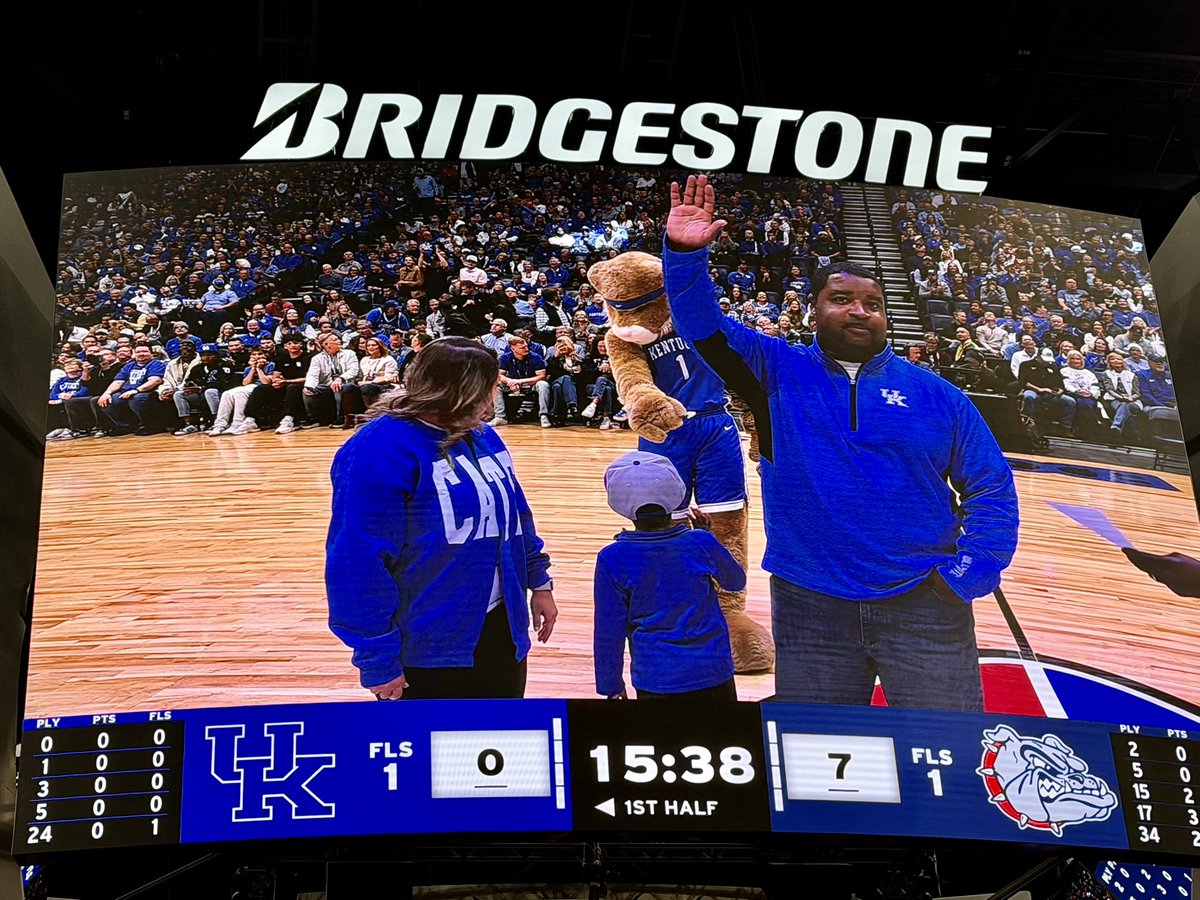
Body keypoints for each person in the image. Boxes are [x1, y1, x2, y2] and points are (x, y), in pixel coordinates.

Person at [661, 174, 1018, 711]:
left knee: (949, 754)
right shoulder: (773, 370)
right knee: (819, 755)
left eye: (872, 303)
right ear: (813, 310)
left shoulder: (940, 396)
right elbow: (701, 325)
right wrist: (685, 256)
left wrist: (969, 574)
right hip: (811, 604)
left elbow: (991, 486)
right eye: (842, 299)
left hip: (925, 600)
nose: (859, 310)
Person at [325, 337, 558, 700]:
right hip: (427, 644)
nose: (495, 394)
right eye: (491, 386)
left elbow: (516, 517)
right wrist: (377, 658)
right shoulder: (376, 450)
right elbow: (356, 563)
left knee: (501, 743)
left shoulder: (483, 435)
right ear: (461, 392)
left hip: (500, 628)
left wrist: (538, 581)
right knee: (437, 755)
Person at [594, 451, 743, 701]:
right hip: (713, 671)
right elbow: (735, 581)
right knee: (722, 738)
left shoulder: (612, 558)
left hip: (656, 678)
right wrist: (708, 537)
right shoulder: (700, 542)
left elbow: (609, 630)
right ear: (676, 491)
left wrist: (610, 684)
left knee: (664, 740)